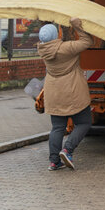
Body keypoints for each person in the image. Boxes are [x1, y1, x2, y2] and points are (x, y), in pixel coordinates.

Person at [38, 18, 93, 171]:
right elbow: (87, 41)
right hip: (72, 90)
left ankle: (54, 161)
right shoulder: (66, 48)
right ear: (56, 35)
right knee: (84, 122)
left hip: (54, 92)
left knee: (57, 127)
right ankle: (67, 150)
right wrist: (77, 27)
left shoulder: (43, 50)